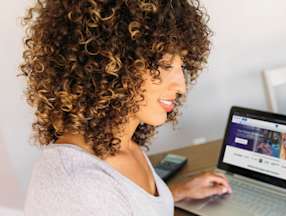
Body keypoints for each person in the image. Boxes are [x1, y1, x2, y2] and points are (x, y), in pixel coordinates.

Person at [20, 0, 232, 215]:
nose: (181, 87)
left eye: (182, 65)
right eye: (164, 64)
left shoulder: (120, 144)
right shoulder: (80, 188)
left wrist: (178, 192)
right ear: (108, 65)